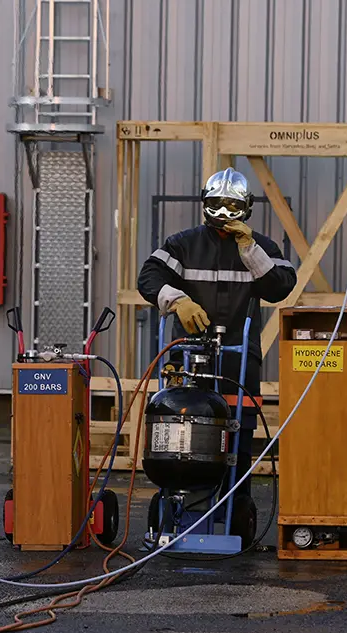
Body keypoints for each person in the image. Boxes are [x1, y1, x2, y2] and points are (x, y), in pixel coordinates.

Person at [137, 167, 297, 498]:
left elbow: (280, 287)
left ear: (247, 208)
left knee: (238, 432)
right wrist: (177, 300)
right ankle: (181, 504)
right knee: (183, 430)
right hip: (189, 355)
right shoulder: (183, 244)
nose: (224, 214)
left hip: (240, 358)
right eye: (216, 205)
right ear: (203, 203)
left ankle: (236, 507)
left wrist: (250, 251)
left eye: (232, 207)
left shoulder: (260, 247)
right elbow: (148, 277)